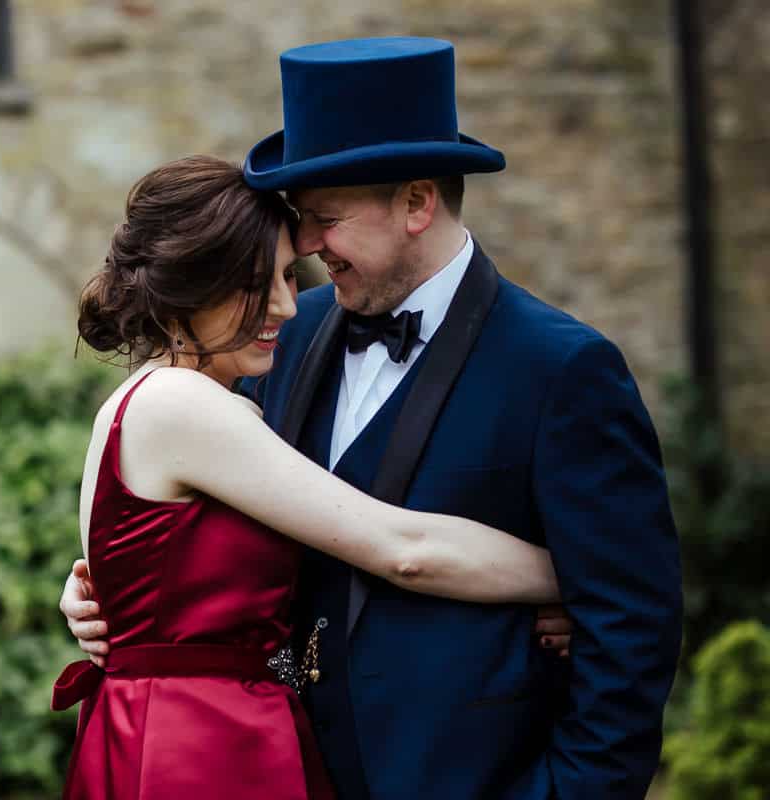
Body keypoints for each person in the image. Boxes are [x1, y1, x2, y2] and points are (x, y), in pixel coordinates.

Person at [62, 38, 682, 800]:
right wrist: (107, 594)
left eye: (325, 219)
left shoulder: (563, 370)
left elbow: (632, 630)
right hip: (264, 763)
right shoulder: (272, 342)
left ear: (418, 202)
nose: (309, 249)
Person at [54, 154, 574, 800]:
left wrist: (93, 594)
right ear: (193, 282)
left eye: (288, 278)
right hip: (196, 748)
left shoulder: (182, 402)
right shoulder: (180, 406)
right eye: (256, 283)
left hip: (195, 728)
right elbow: (399, 548)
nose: (288, 307)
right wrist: (567, 577)